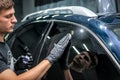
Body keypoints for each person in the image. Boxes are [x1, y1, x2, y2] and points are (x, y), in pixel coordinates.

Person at [0, 0, 71, 80]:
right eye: (8, 16)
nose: (15, 20)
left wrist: (16, 67)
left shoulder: (3, 43)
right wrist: (51, 58)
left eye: (13, 14)